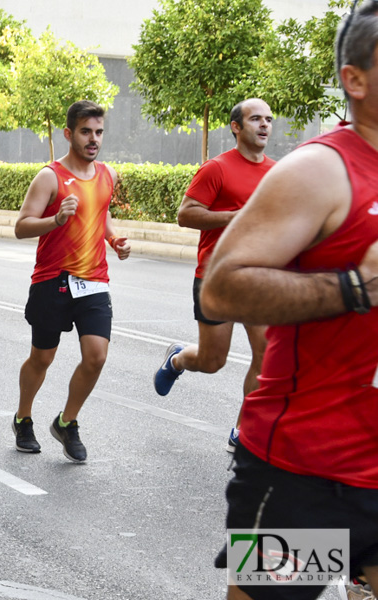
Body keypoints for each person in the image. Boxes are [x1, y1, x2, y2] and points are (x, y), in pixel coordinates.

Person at [201, 4, 378, 598]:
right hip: (308, 474)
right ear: (355, 79)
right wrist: (352, 288)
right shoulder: (322, 171)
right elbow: (221, 287)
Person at [11, 100, 131, 463]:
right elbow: (20, 227)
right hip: (52, 280)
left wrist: (114, 240)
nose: (93, 139)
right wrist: (54, 222)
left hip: (93, 280)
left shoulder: (107, 174)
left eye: (98, 132)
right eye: (85, 132)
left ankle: (67, 421)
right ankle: (23, 418)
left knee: (96, 357)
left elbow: (101, 213)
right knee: (42, 358)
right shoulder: (50, 176)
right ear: (69, 134)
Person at [153, 99, 275, 453]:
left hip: (259, 277)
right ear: (236, 127)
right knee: (212, 361)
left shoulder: (277, 172)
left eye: (268, 119)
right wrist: (234, 217)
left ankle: (243, 432)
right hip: (216, 277)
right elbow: (186, 214)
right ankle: (178, 358)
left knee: (267, 358)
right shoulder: (217, 168)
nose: (264, 125)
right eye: (255, 119)